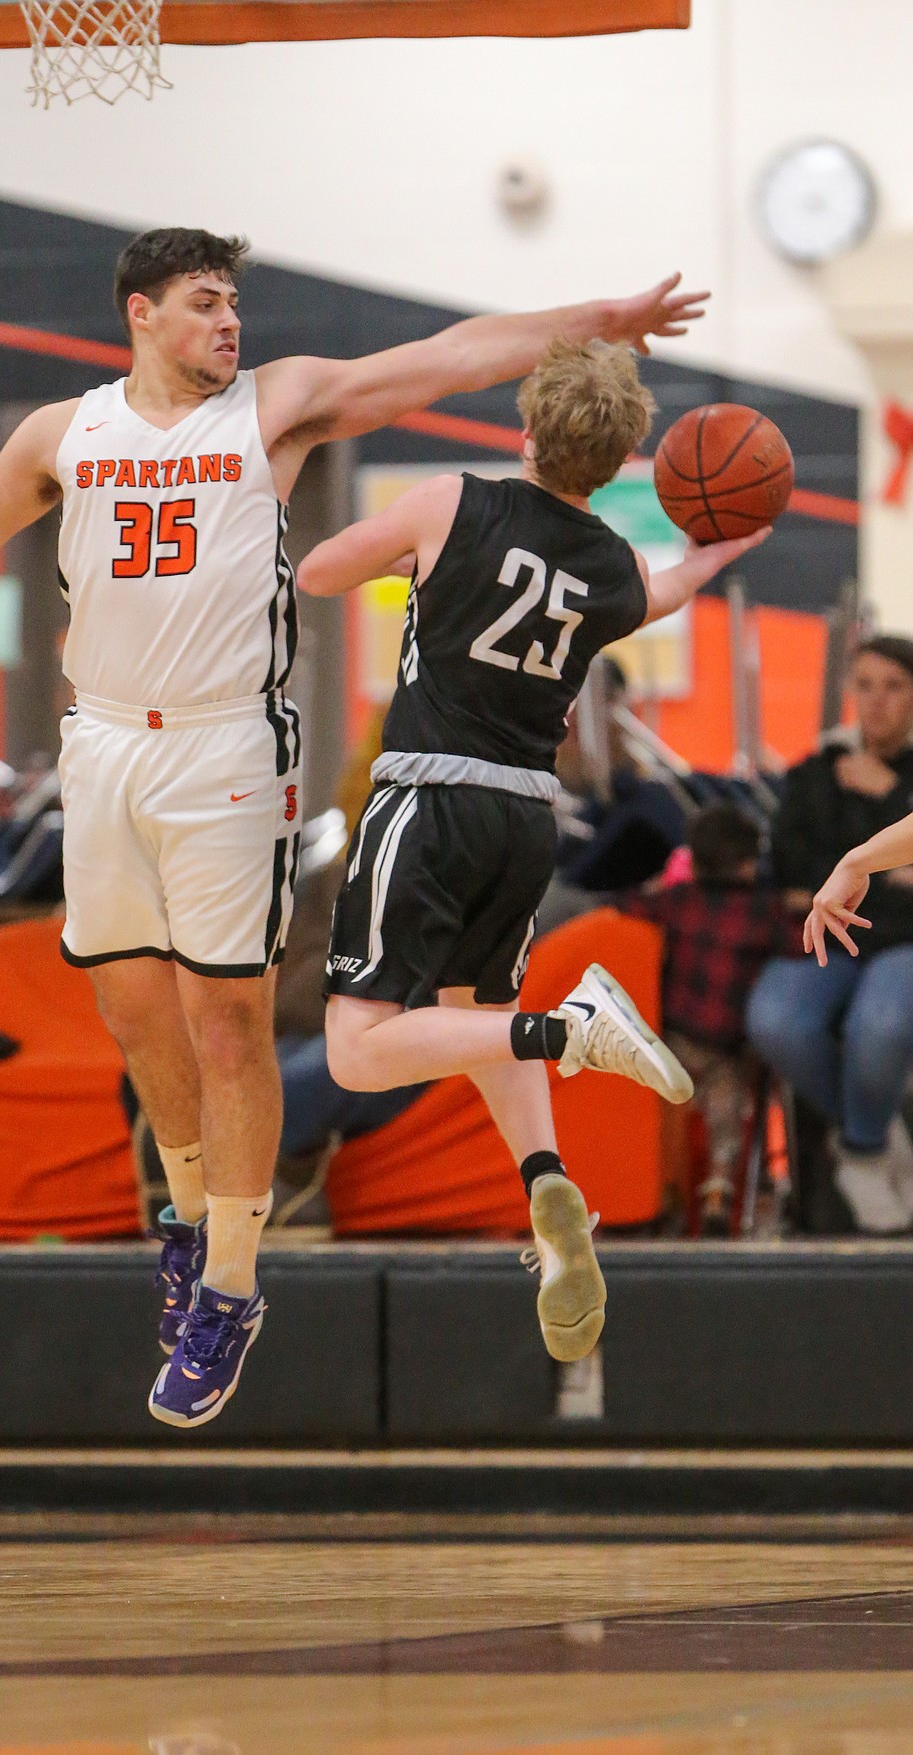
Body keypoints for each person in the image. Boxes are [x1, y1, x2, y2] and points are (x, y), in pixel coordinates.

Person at [0, 226, 710, 1427]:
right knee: (131, 1007)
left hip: (230, 743)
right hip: (104, 739)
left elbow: (446, 358)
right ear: (141, 314)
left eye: (234, 302)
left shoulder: (272, 410)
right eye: (203, 303)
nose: (229, 323)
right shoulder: (61, 436)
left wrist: (599, 315)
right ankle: (189, 1219)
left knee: (226, 1013)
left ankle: (231, 1283)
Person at [298, 339, 770, 1362]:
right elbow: (666, 588)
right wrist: (721, 549)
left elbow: (321, 570)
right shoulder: (608, 564)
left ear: (526, 427)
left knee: (358, 1048)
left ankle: (573, 1032)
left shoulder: (452, 500)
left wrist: (406, 564)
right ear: (614, 464)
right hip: (523, 822)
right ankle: (550, 1191)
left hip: (428, 797)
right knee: (479, 1018)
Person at [747, 636, 913, 1234]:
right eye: (864, 684)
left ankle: (863, 1150)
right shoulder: (815, 774)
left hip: (902, 942)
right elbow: (792, 872)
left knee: (882, 1022)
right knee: (775, 1017)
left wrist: (886, 795)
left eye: (894, 686)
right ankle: (870, 1134)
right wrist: (886, 872)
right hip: (831, 934)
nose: (877, 701)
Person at [623, 803, 800, 1235]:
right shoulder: (764, 911)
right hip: (727, 1049)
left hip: (672, 1041)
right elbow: (800, 945)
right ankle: (718, 1192)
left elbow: (625, 907)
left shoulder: (677, 902)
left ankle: (665, 1197)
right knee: (727, 1114)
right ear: (747, 863)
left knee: (669, 1119)